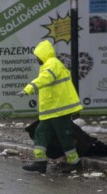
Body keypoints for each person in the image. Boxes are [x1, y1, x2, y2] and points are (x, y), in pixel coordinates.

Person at [17, 40, 83, 173]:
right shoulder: (49, 65)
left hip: (60, 109)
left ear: (43, 54)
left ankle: (75, 162)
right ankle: (40, 162)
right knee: (41, 133)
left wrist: (29, 88)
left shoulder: (52, 63)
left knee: (64, 136)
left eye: (37, 56)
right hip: (52, 110)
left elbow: (45, 78)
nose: (36, 59)